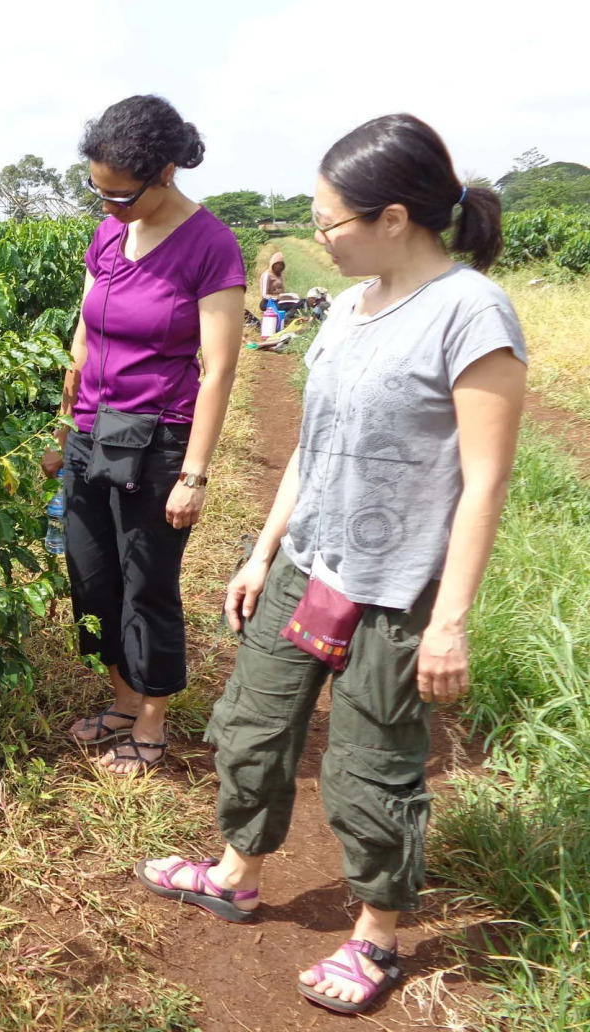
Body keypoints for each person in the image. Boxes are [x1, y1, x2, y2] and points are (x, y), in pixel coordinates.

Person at [134, 114, 526, 1014]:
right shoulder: (345, 309)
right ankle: (235, 872)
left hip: (398, 589)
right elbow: (313, 448)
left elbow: (484, 482)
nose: (320, 239)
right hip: (309, 561)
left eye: (329, 223)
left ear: (394, 218)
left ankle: (376, 934)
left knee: (371, 765)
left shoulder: (472, 313)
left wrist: (451, 620)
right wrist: (263, 548)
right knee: (251, 726)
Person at [42, 95, 247, 775]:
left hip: (157, 438)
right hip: (92, 430)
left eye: (121, 195)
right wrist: (62, 425)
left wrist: (193, 474)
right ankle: (123, 699)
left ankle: (152, 723)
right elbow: (85, 331)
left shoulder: (209, 246)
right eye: (96, 190)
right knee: (90, 573)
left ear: (164, 172)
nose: (108, 207)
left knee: (146, 581)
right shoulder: (106, 235)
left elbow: (217, 370)